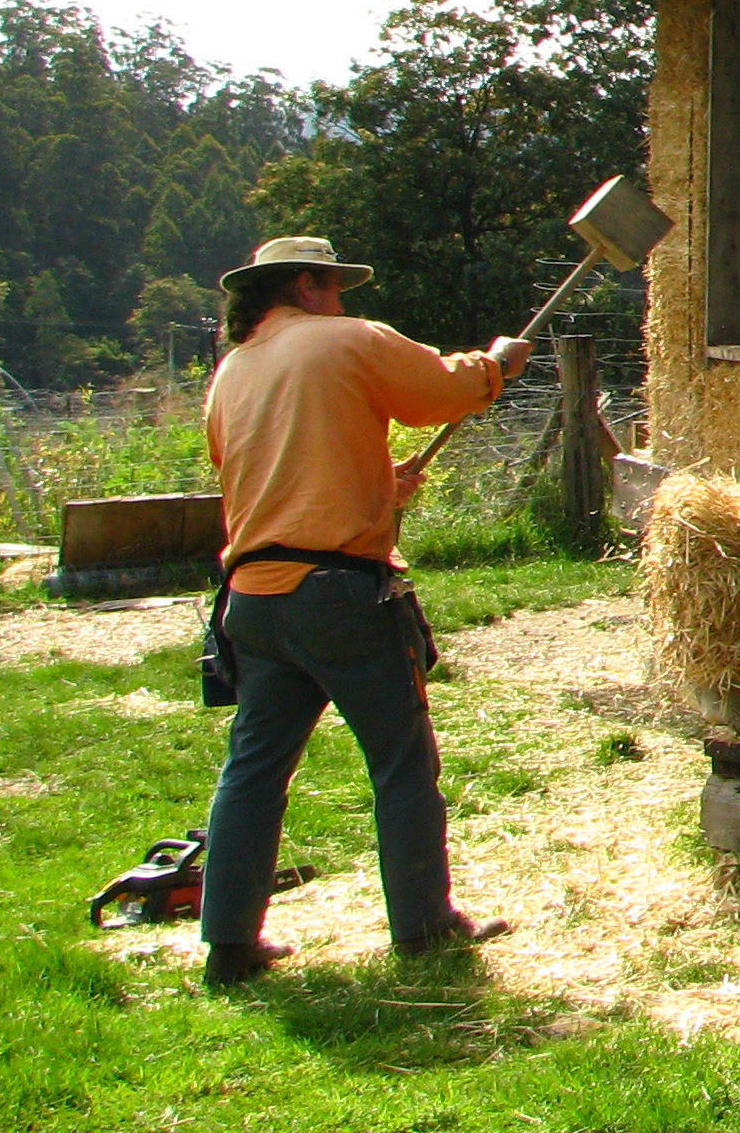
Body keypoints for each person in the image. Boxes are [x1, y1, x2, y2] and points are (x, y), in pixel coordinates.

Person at [195, 236, 534, 986]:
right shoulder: (346, 339)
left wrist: (379, 483)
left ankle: (228, 943)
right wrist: (497, 365)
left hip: (252, 600)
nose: (344, 301)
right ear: (309, 286)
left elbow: (267, 472)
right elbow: (440, 393)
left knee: (252, 771)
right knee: (403, 764)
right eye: (336, 287)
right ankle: (423, 926)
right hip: (340, 594)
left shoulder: (233, 372)